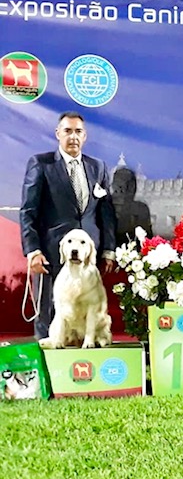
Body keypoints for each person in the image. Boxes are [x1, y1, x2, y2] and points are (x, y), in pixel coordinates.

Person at [20, 111, 117, 340]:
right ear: (58, 134)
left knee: (89, 318)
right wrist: (33, 251)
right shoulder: (41, 164)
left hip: (88, 261)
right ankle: (46, 361)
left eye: (78, 132)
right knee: (49, 317)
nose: (73, 136)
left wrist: (108, 250)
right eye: (68, 131)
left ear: (85, 136)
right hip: (51, 257)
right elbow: (28, 211)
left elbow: (106, 213)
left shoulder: (98, 167)